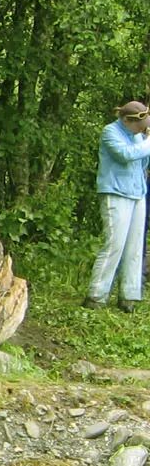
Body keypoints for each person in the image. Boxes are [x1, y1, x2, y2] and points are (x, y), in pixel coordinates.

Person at [85, 100, 150, 310]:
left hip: (137, 193)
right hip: (115, 192)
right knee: (115, 244)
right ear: (126, 120)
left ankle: (129, 295)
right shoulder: (110, 132)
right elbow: (125, 155)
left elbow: (142, 163)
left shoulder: (138, 136)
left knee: (135, 246)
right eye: (138, 125)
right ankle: (96, 295)